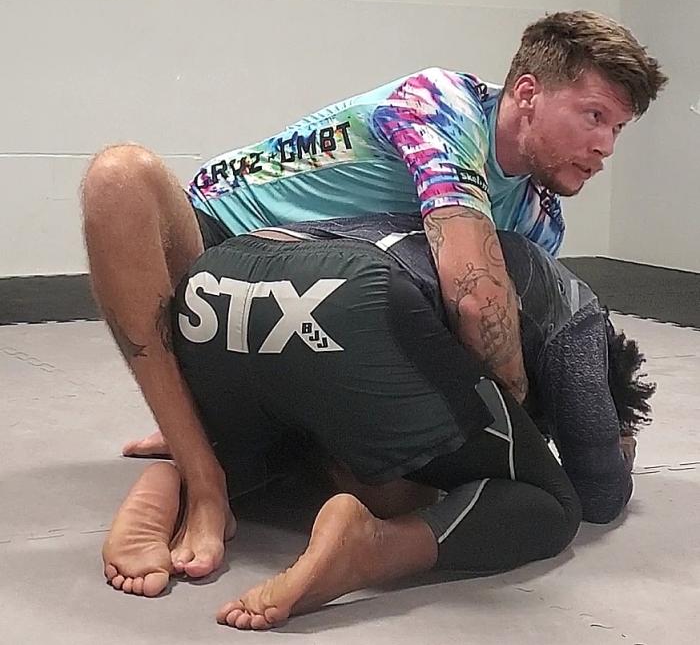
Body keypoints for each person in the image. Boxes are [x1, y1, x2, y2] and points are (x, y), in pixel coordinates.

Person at [83, 10, 666, 580]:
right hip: (213, 256)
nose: (605, 146)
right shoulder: (443, 105)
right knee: (120, 177)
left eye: (617, 128)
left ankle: (218, 440)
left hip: (313, 319)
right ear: (528, 93)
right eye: (594, 116)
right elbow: (476, 300)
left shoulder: (539, 214)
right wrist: (511, 450)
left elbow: (479, 333)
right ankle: (200, 469)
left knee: (402, 474)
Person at [102, 213, 655, 630]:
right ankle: (376, 547)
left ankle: (186, 475)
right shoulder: (580, 311)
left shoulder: (440, 227)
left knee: (313, 440)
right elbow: (600, 490)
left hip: (219, 280)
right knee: (555, 506)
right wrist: (617, 445)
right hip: (349, 297)